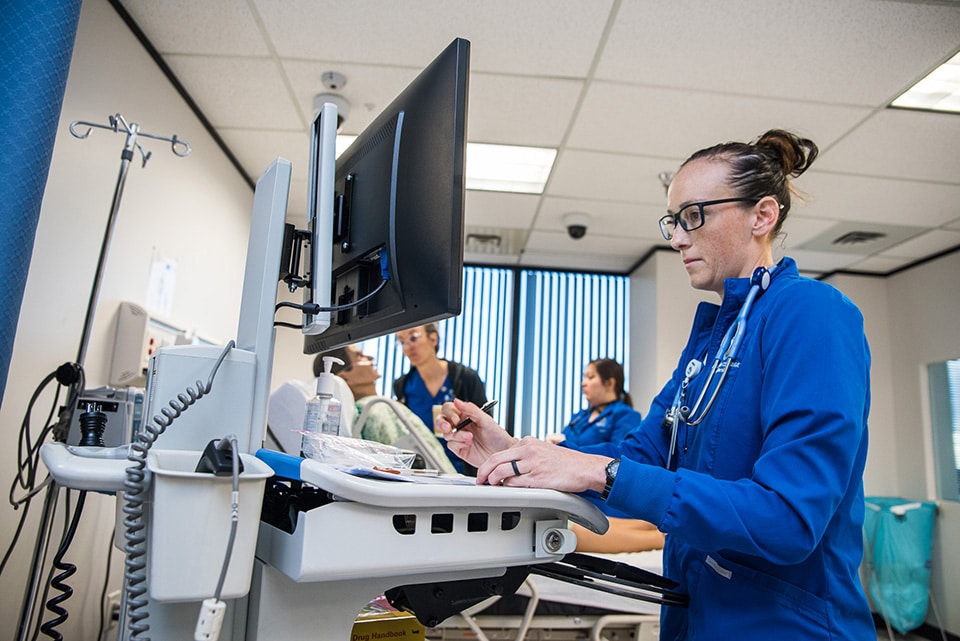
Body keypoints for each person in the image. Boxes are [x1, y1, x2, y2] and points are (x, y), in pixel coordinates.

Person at [437, 130, 874, 639]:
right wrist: (515, 454)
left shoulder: (813, 316)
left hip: (783, 625)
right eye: (674, 221)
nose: (678, 237)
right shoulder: (712, 343)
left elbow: (788, 518)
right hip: (697, 616)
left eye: (694, 216)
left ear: (762, 215)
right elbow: (640, 457)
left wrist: (597, 470)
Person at [315, 347, 457, 474]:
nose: (370, 358)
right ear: (345, 377)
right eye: (360, 356)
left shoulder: (382, 406)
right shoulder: (376, 409)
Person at [393, 323, 487, 474]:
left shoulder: (464, 378)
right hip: (424, 471)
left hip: (464, 471)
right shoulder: (402, 386)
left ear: (433, 338)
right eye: (402, 342)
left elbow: (484, 427)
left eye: (413, 337)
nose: (407, 348)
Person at [550, 358, 641, 448]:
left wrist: (570, 446)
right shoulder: (580, 416)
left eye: (590, 377)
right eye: (584, 377)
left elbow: (618, 454)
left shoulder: (626, 416)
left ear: (610, 383)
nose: (583, 383)